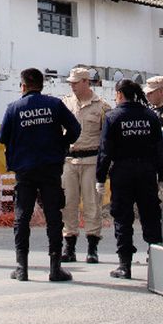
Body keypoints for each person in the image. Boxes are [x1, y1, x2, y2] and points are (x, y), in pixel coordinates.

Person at [0, 67, 82, 282]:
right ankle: (55, 268)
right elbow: (75, 128)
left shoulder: (14, 108)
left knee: (22, 218)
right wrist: (61, 145)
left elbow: (2, 137)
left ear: (23, 86)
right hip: (50, 168)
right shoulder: (54, 104)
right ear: (42, 85)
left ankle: (22, 268)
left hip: (25, 171)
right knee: (54, 217)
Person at [96, 79, 163, 279]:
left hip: (122, 173)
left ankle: (124, 265)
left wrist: (100, 178)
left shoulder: (113, 117)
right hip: (146, 172)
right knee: (151, 217)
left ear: (119, 94)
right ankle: (157, 263)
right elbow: (159, 150)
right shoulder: (151, 116)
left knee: (122, 218)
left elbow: (105, 151)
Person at [59, 65, 111, 264]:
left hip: (91, 160)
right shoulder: (65, 104)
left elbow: (107, 138)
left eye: (75, 83)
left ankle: (92, 247)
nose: (72, 86)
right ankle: (69, 246)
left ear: (85, 82)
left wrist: (106, 166)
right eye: (70, 83)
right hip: (69, 160)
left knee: (92, 205)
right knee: (68, 204)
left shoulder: (102, 106)